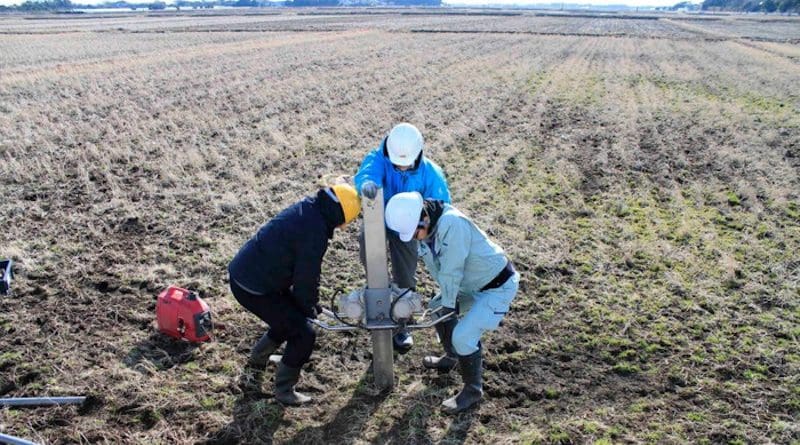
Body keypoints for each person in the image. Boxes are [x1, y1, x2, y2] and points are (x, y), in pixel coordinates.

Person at [384, 192, 520, 414]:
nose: (415, 238)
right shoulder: (428, 233)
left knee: (463, 335)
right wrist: (445, 303)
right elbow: (441, 271)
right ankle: (452, 356)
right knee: (437, 308)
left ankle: (472, 390)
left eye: (415, 231)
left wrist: (450, 303)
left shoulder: (452, 224)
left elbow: (451, 269)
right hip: (472, 284)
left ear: (424, 218)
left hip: (497, 287)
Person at [227, 181, 360, 405]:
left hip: (248, 274)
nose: (342, 228)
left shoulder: (309, 208)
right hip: (254, 287)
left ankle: (258, 359)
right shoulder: (314, 232)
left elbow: (303, 276)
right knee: (304, 333)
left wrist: (308, 303)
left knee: (290, 318)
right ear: (339, 216)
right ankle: (285, 390)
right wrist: (308, 306)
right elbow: (306, 275)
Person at [354, 123, 451, 353]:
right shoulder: (379, 158)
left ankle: (401, 322)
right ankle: (378, 302)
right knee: (370, 254)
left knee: (406, 271)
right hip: (378, 216)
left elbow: (441, 204)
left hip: (408, 226)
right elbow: (367, 173)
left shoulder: (431, 173)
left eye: (404, 162)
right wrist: (367, 185)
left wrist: (427, 227)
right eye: (396, 160)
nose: (399, 165)